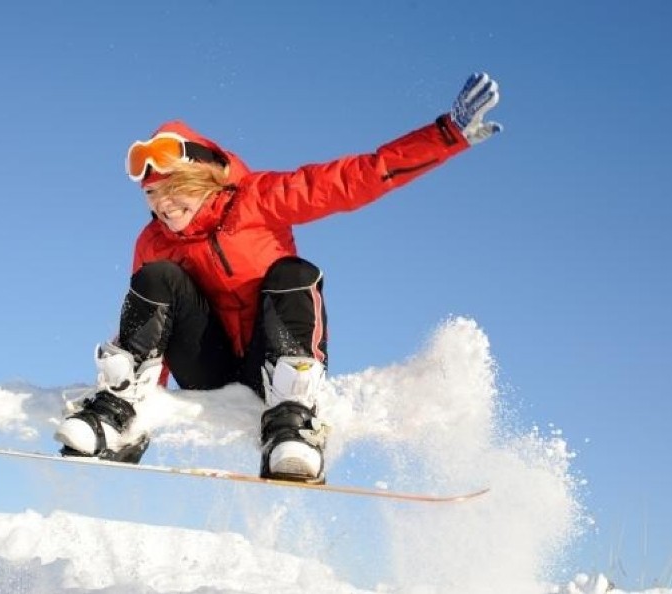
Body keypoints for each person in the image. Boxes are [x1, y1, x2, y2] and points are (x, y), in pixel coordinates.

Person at [54, 72, 502, 483]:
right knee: (156, 278)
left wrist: (446, 136)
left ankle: (293, 422)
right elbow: (151, 327)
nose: (162, 206)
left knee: (294, 272)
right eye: (152, 195)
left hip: (271, 367)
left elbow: (357, 178)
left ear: (204, 178)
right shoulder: (153, 241)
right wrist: (144, 413)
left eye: (174, 191)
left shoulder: (259, 199)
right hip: (206, 367)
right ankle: (119, 415)